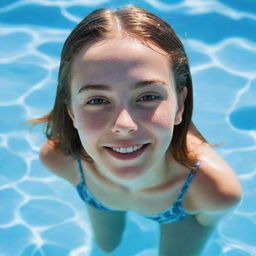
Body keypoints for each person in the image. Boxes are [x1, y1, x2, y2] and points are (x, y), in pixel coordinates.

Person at [28, 5, 242, 256]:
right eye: (97, 100)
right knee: (107, 246)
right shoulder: (60, 159)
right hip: (97, 194)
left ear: (179, 104)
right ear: (72, 112)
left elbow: (211, 218)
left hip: (178, 210)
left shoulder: (212, 190)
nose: (124, 125)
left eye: (148, 96)